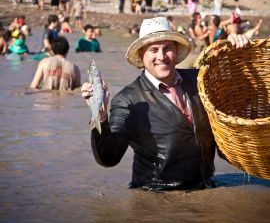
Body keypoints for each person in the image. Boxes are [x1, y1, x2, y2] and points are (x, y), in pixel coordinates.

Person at [81, 17, 248, 191]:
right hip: (157, 198)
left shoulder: (199, 80)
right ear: (141, 55)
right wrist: (100, 115)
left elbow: (237, 89)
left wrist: (235, 50)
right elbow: (108, 158)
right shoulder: (128, 99)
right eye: (153, 50)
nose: (161, 56)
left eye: (167, 48)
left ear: (176, 50)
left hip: (206, 189)